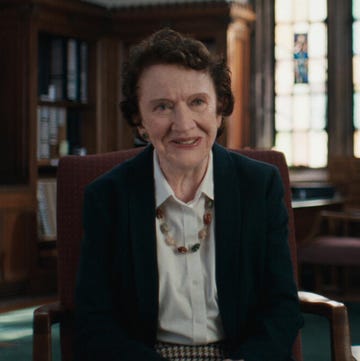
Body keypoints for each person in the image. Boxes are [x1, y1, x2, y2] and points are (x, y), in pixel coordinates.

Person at [75, 28, 303, 361]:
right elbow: (94, 322)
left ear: (219, 107)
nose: (183, 125)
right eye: (163, 107)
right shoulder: (107, 197)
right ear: (139, 120)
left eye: (197, 102)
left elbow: (281, 306)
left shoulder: (259, 185)